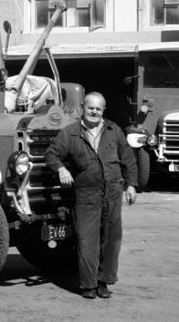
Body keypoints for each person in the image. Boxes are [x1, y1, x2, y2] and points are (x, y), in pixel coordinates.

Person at [44, 92, 137, 299]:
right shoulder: (70, 133)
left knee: (111, 239)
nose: (94, 112)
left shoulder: (114, 130)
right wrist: (61, 169)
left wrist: (131, 185)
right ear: (83, 109)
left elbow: (128, 159)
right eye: (90, 108)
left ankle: (104, 281)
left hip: (112, 192)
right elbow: (51, 154)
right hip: (86, 194)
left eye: (98, 108)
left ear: (103, 110)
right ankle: (88, 284)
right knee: (87, 240)